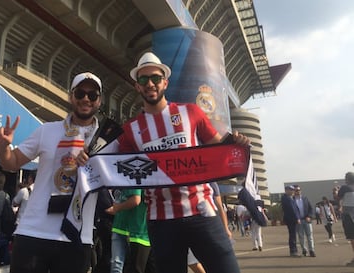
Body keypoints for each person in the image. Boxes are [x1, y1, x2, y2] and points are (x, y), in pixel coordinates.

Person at [102, 51, 249, 273]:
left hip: (202, 213)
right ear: (137, 87)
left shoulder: (191, 112)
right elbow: (113, 165)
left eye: (155, 78)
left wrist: (237, 144)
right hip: (161, 223)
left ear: (165, 83)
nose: (150, 83)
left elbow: (219, 149)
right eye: (143, 79)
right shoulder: (130, 129)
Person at [0, 72, 103, 273]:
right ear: (71, 97)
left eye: (92, 95)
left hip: (77, 236)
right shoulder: (47, 130)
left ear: (99, 101)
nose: (86, 99)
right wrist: (3, 147)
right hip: (34, 232)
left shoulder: (106, 142)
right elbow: (11, 163)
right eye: (80, 93)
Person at [106, 189, 154, 273]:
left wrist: (117, 208)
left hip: (135, 230)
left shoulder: (135, 179)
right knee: (118, 266)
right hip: (126, 226)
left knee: (118, 266)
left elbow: (135, 199)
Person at [293, 185, 316, 257]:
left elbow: (311, 209)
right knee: (301, 236)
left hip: (307, 220)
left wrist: (309, 216)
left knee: (310, 236)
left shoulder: (305, 199)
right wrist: (296, 219)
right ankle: (304, 249)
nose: (298, 192)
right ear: (294, 191)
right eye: (296, 190)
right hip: (299, 221)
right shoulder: (292, 200)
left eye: (299, 190)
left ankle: (311, 250)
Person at [337, 172, 354, 267]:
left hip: (349, 214)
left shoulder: (344, 188)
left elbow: (338, 197)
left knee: (352, 237)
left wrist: (336, 191)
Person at [281, 185, 301, 257]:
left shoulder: (290, 198)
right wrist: (297, 218)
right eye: (291, 190)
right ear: (287, 190)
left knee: (293, 235)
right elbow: (293, 210)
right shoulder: (287, 198)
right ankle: (293, 251)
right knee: (292, 235)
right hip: (291, 219)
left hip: (291, 219)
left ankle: (294, 250)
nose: (293, 191)